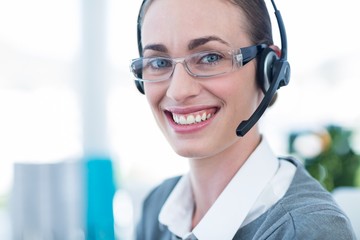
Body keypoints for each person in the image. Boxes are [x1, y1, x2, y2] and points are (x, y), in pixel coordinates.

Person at [129, 0, 357, 239]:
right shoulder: (158, 207)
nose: (178, 91)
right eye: (159, 62)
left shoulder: (308, 230)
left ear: (270, 69)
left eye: (210, 58)